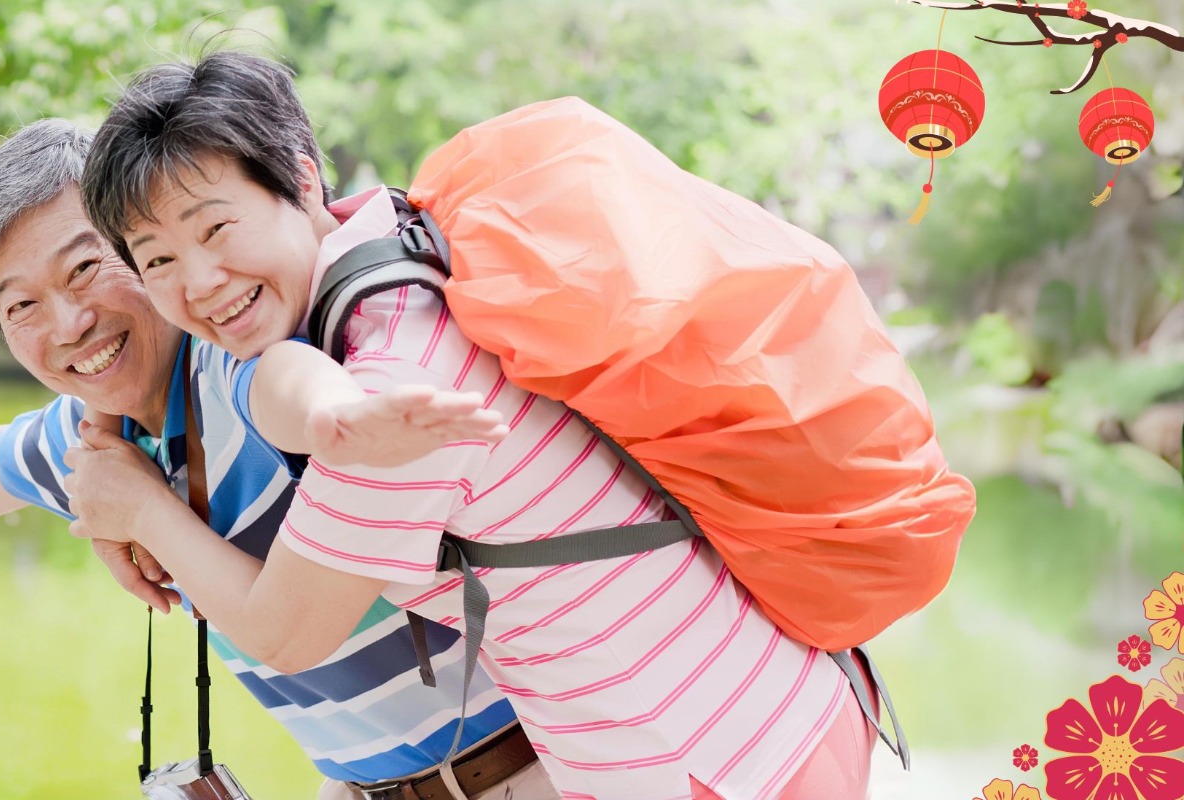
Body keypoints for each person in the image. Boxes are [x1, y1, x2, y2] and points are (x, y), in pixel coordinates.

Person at [68, 51, 878, 800]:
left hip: (711, 753)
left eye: (215, 229)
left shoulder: (397, 403)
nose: (200, 283)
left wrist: (141, 511)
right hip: (748, 702)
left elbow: (284, 634)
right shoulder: (394, 238)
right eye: (158, 261)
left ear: (304, 181)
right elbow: (277, 381)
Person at [0, 119, 560, 800]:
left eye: (86, 267)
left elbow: (285, 380)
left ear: (142, 244)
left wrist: (340, 417)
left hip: (526, 767)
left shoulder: (224, 353)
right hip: (367, 786)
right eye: (22, 305)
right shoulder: (93, 441)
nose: (70, 322)